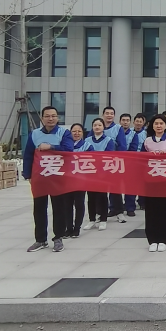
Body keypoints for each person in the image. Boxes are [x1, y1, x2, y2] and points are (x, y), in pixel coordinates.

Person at [23, 106, 73, 253]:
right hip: (40, 178)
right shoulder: (35, 134)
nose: (50, 119)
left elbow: (68, 150)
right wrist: (28, 175)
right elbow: (28, 155)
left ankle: (58, 238)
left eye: (53, 116)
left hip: (58, 177)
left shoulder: (64, 133)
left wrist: (51, 146)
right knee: (39, 208)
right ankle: (40, 239)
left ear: (58, 118)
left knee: (59, 208)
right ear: (42, 118)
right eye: (47, 116)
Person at [142, 114, 166, 252]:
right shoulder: (147, 141)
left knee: (165, 209)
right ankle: (152, 239)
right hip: (151, 179)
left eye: (161, 123)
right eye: (156, 123)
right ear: (152, 126)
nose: (159, 126)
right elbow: (140, 159)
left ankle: (164, 239)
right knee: (151, 210)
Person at [82, 118, 115, 232]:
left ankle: (103, 220)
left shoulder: (108, 140)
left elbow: (108, 156)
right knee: (91, 196)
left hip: (103, 172)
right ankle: (92, 219)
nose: (97, 127)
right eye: (95, 125)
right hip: (90, 172)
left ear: (103, 127)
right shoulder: (87, 140)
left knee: (102, 196)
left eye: (99, 125)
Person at [64, 123, 87, 238]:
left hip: (80, 180)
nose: (76, 133)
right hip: (66, 179)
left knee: (79, 204)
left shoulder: (87, 146)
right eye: (74, 131)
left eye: (79, 131)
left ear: (83, 133)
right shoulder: (64, 145)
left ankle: (77, 228)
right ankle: (69, 228)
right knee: (67, 204)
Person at [118, 113, 139, 217]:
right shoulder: (117, 132)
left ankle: (130, 208)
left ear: (130, 122)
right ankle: (115, 207)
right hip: (116, 162)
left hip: (129, 162)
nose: (125, 122)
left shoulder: (134, 134)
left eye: (127, 120)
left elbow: (133, 149)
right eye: (123, 120)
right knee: (115, 186)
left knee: (130, 186)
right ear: (120, 121)